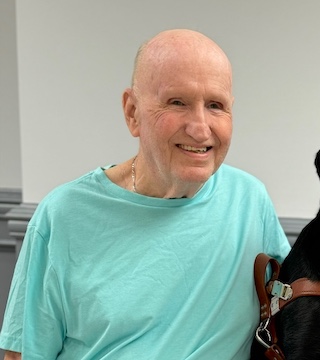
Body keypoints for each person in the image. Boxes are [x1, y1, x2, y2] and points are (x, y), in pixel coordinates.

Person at [0, 29, 290, 360]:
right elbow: (22, 355)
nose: (200, 127)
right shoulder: (63, 215)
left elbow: (302, 306)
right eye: (177, 102)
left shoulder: (249, 201)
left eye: (215, 105)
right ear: (133, 112)